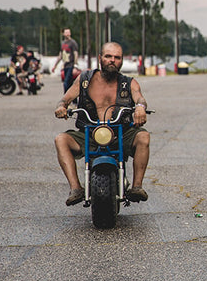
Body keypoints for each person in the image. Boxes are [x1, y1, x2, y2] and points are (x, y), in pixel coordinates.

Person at [53, 42, 150, 206]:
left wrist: (140, 108)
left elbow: (139, 97)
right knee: (60, 139)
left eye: (117, 57)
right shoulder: (84, 80)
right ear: (100, 58)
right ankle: (76, 188)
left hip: (121, 133)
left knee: (144, 137)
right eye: (108, 56)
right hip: (90, 133)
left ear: (121, 61)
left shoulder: (129, 83)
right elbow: (65, 98)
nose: (112, 60)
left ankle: (137, 187)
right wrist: (61, 107)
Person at [59, 28, 79, 93]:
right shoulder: (63, 43)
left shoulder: (73, 42)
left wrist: (75, 66)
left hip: (71, 65)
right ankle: (74, 100)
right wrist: (55, 66)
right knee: (70, 84)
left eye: (68, 32)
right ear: (63, 34)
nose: (67, 34)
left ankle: (66, 99)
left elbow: (76, 54)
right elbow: (60, 55)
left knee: (66, 83)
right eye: (66, 33)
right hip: (65, 66)